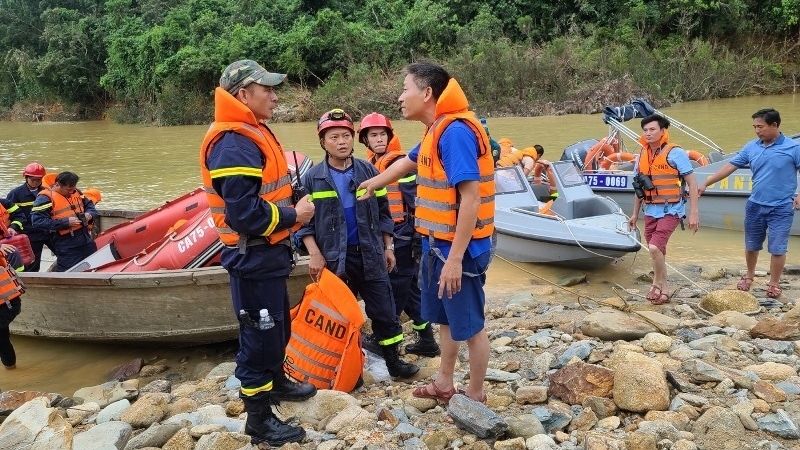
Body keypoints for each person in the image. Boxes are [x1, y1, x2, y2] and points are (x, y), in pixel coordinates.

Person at [358, 62, 496, 405]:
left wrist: (454, 259)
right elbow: (409, 161)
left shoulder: (455, 133)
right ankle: (444, 383)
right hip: (436, 244)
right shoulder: (435, 128)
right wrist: (374, 182)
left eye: (405, 89)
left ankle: (476, 395)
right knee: (446, 320)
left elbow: (471, 197)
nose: (400, 97)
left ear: (426, 93)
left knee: (472, 326)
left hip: (459, 250)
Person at [199, 59, 316, 447]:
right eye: (267, 89)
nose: (275, 95)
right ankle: (259, 421)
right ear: (243, 95)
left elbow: (265, 192)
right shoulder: (234, 142)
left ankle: (278, 383)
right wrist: (293, 214)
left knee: (278, 328)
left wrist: (290, 204)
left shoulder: (252, 132)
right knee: (259, 339)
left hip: (269, 255)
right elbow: (244, 214)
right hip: (252, 257)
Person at [296, 108, 419, 379]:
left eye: (346, 136)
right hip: (333, 259)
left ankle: (393, 362)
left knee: (385, 312)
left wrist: (388, 247)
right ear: (322, 142)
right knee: (340, 316)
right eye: (334, 137)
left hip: (371, 253)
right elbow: (303, 223)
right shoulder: (313, 178)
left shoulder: (369, 171)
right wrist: (314, 254)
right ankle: (349, 369)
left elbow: (385, 212)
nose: (341, 142)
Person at [358, 112, 440, 357]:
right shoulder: (374, 163)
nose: (379, 139)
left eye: (383, 134)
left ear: (389, 136)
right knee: (411, 289)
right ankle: (427, 339)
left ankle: (386, 335)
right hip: (389, 232)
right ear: (366, 140)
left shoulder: (398, 162)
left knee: (396, 286)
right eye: (374, 135)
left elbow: (417, 201)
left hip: (403, 233)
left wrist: (417, 238)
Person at [699, 108, 800, 298]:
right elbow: (729, 166)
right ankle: (749, 276)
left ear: (775, 125)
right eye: (754, 127)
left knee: (778, 247)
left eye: (760, 126)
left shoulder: (793, 148)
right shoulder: (751, 147)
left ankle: (774, 283)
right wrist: (706, 182)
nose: (757, 131)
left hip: (781, 206)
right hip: (755, 204)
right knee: (752, 244)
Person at [627, 114, 699, 305]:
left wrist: (693, 213)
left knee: (654, 247)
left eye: (652, 129)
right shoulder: (642, 154)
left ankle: (656, 283)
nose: (648, 133)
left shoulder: (675, 153)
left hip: (672, 209)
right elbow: (638, 188)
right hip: (650, 210)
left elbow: (692, 183)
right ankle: (665, 290)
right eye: (645, 130)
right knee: (657, 252)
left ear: (663, 131)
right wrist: (634, 214)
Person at [31, 171, 98, 272]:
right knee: (69, 270)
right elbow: (37, 221)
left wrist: (89, 214)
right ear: (57, 185)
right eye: (68, 190)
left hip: (85, 238)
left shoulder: (76, 192)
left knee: (94, 263)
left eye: (73, 189)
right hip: (65, 242)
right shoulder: (45, 198)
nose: (71, 192)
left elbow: (90, 206)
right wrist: (65, 222)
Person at [6, 162, 53, 272]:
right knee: (33, 264)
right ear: (26, 178)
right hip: (30, 234)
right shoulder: (16, 194)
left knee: (63, 254)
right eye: (33, 180)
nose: (36, 182)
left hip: (48, 231)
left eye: (39, 180)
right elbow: (12, 215)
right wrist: (14, 228)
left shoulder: (46, 191)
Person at [0, 245, 24, 370]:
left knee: (2, 339)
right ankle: (11, 369)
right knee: (3, 339)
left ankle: (10, 368)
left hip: (8, 304)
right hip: (5, 302)